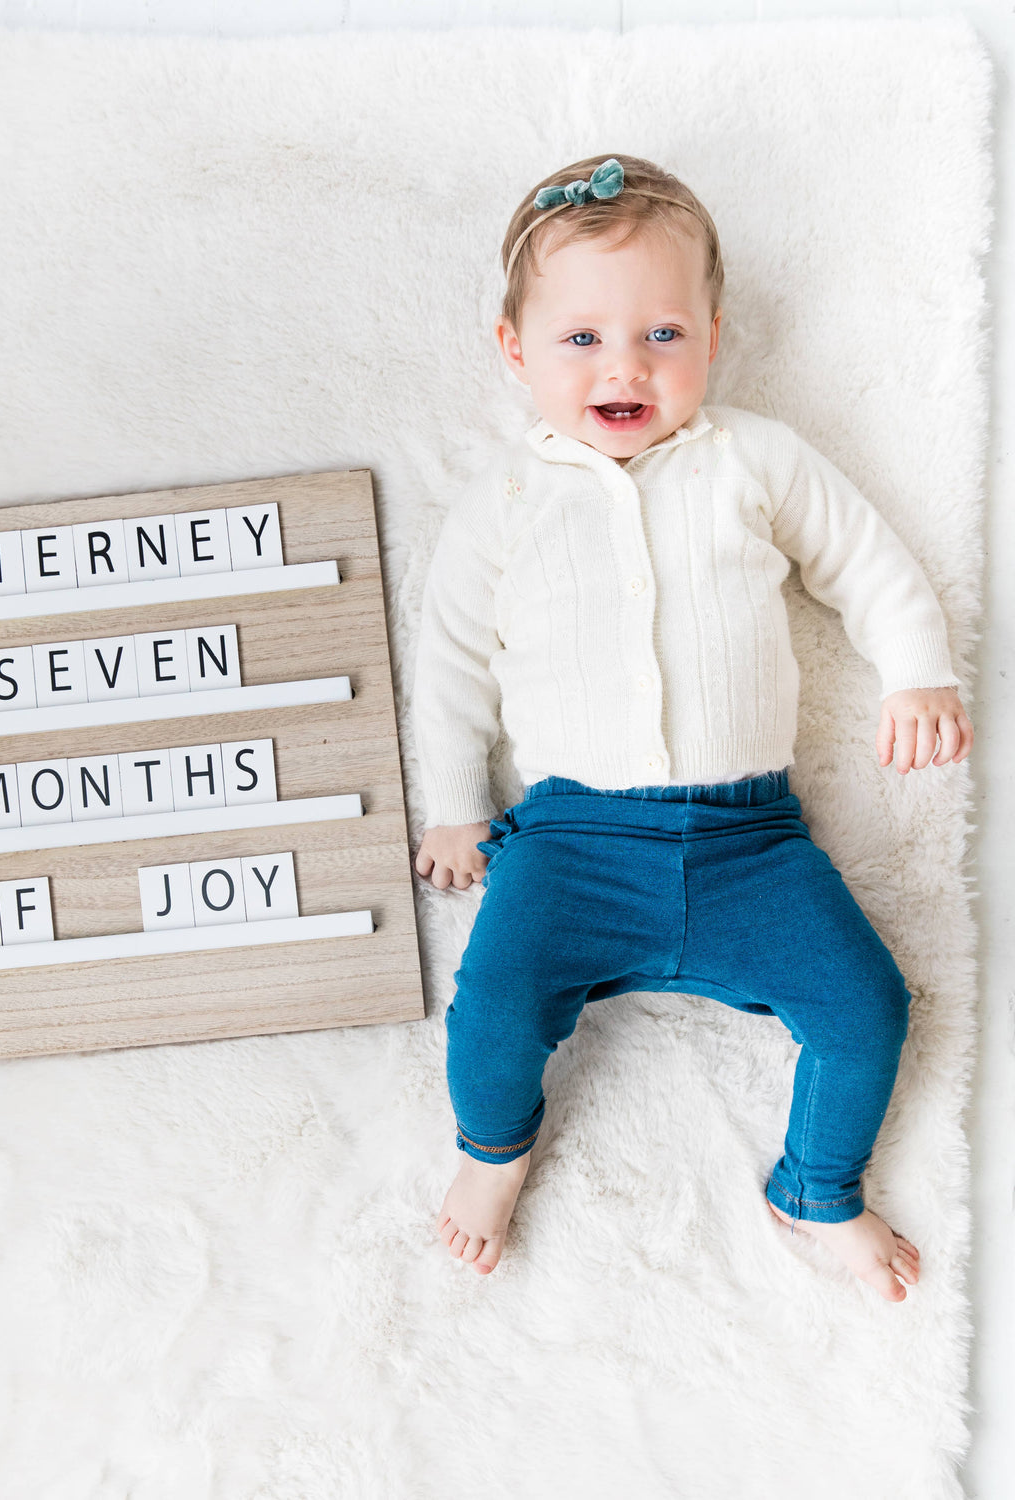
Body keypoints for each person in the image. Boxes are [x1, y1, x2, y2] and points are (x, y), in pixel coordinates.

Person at [412, 154, 973, 1298]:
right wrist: (459, 811)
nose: (626, 365)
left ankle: (817, 1185)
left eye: (662, 335)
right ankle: (492, 1155)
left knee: (869, 1008)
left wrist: (918, 671)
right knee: (494, 1010)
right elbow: (451, 667)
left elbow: (864, 560)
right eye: (582, 341)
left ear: (713, 336)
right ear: (515, 351)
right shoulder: (502, 508)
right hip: (570, 845)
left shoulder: (751, 460)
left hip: (751, 844)